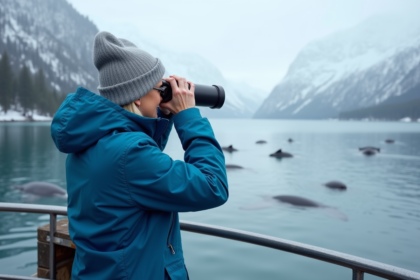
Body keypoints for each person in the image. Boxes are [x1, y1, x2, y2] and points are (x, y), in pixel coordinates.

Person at [51, 31, 228, 280]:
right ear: (137, 96)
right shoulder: (130, 155)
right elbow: (213, 186)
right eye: (159, 89)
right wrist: (188, 116)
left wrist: (160, 115)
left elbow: (137, 171)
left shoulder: (89, 143)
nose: (162, 95)